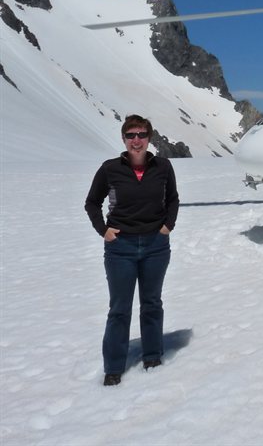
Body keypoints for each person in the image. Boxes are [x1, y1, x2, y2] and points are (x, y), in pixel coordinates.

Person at [85, 115, 179, 386]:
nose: (136, 140)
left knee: (151, 304)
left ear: (149, 138)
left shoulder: (163, 166)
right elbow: (92, 202)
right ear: (124, 139)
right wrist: (103, 230)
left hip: (155, 246)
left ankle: (152, 356)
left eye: (141, 134)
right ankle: (114, 366)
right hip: (120, 248)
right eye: (131, 135)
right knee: (119, 308)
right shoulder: (110, 169)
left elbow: (172, 199)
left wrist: (167, 226)